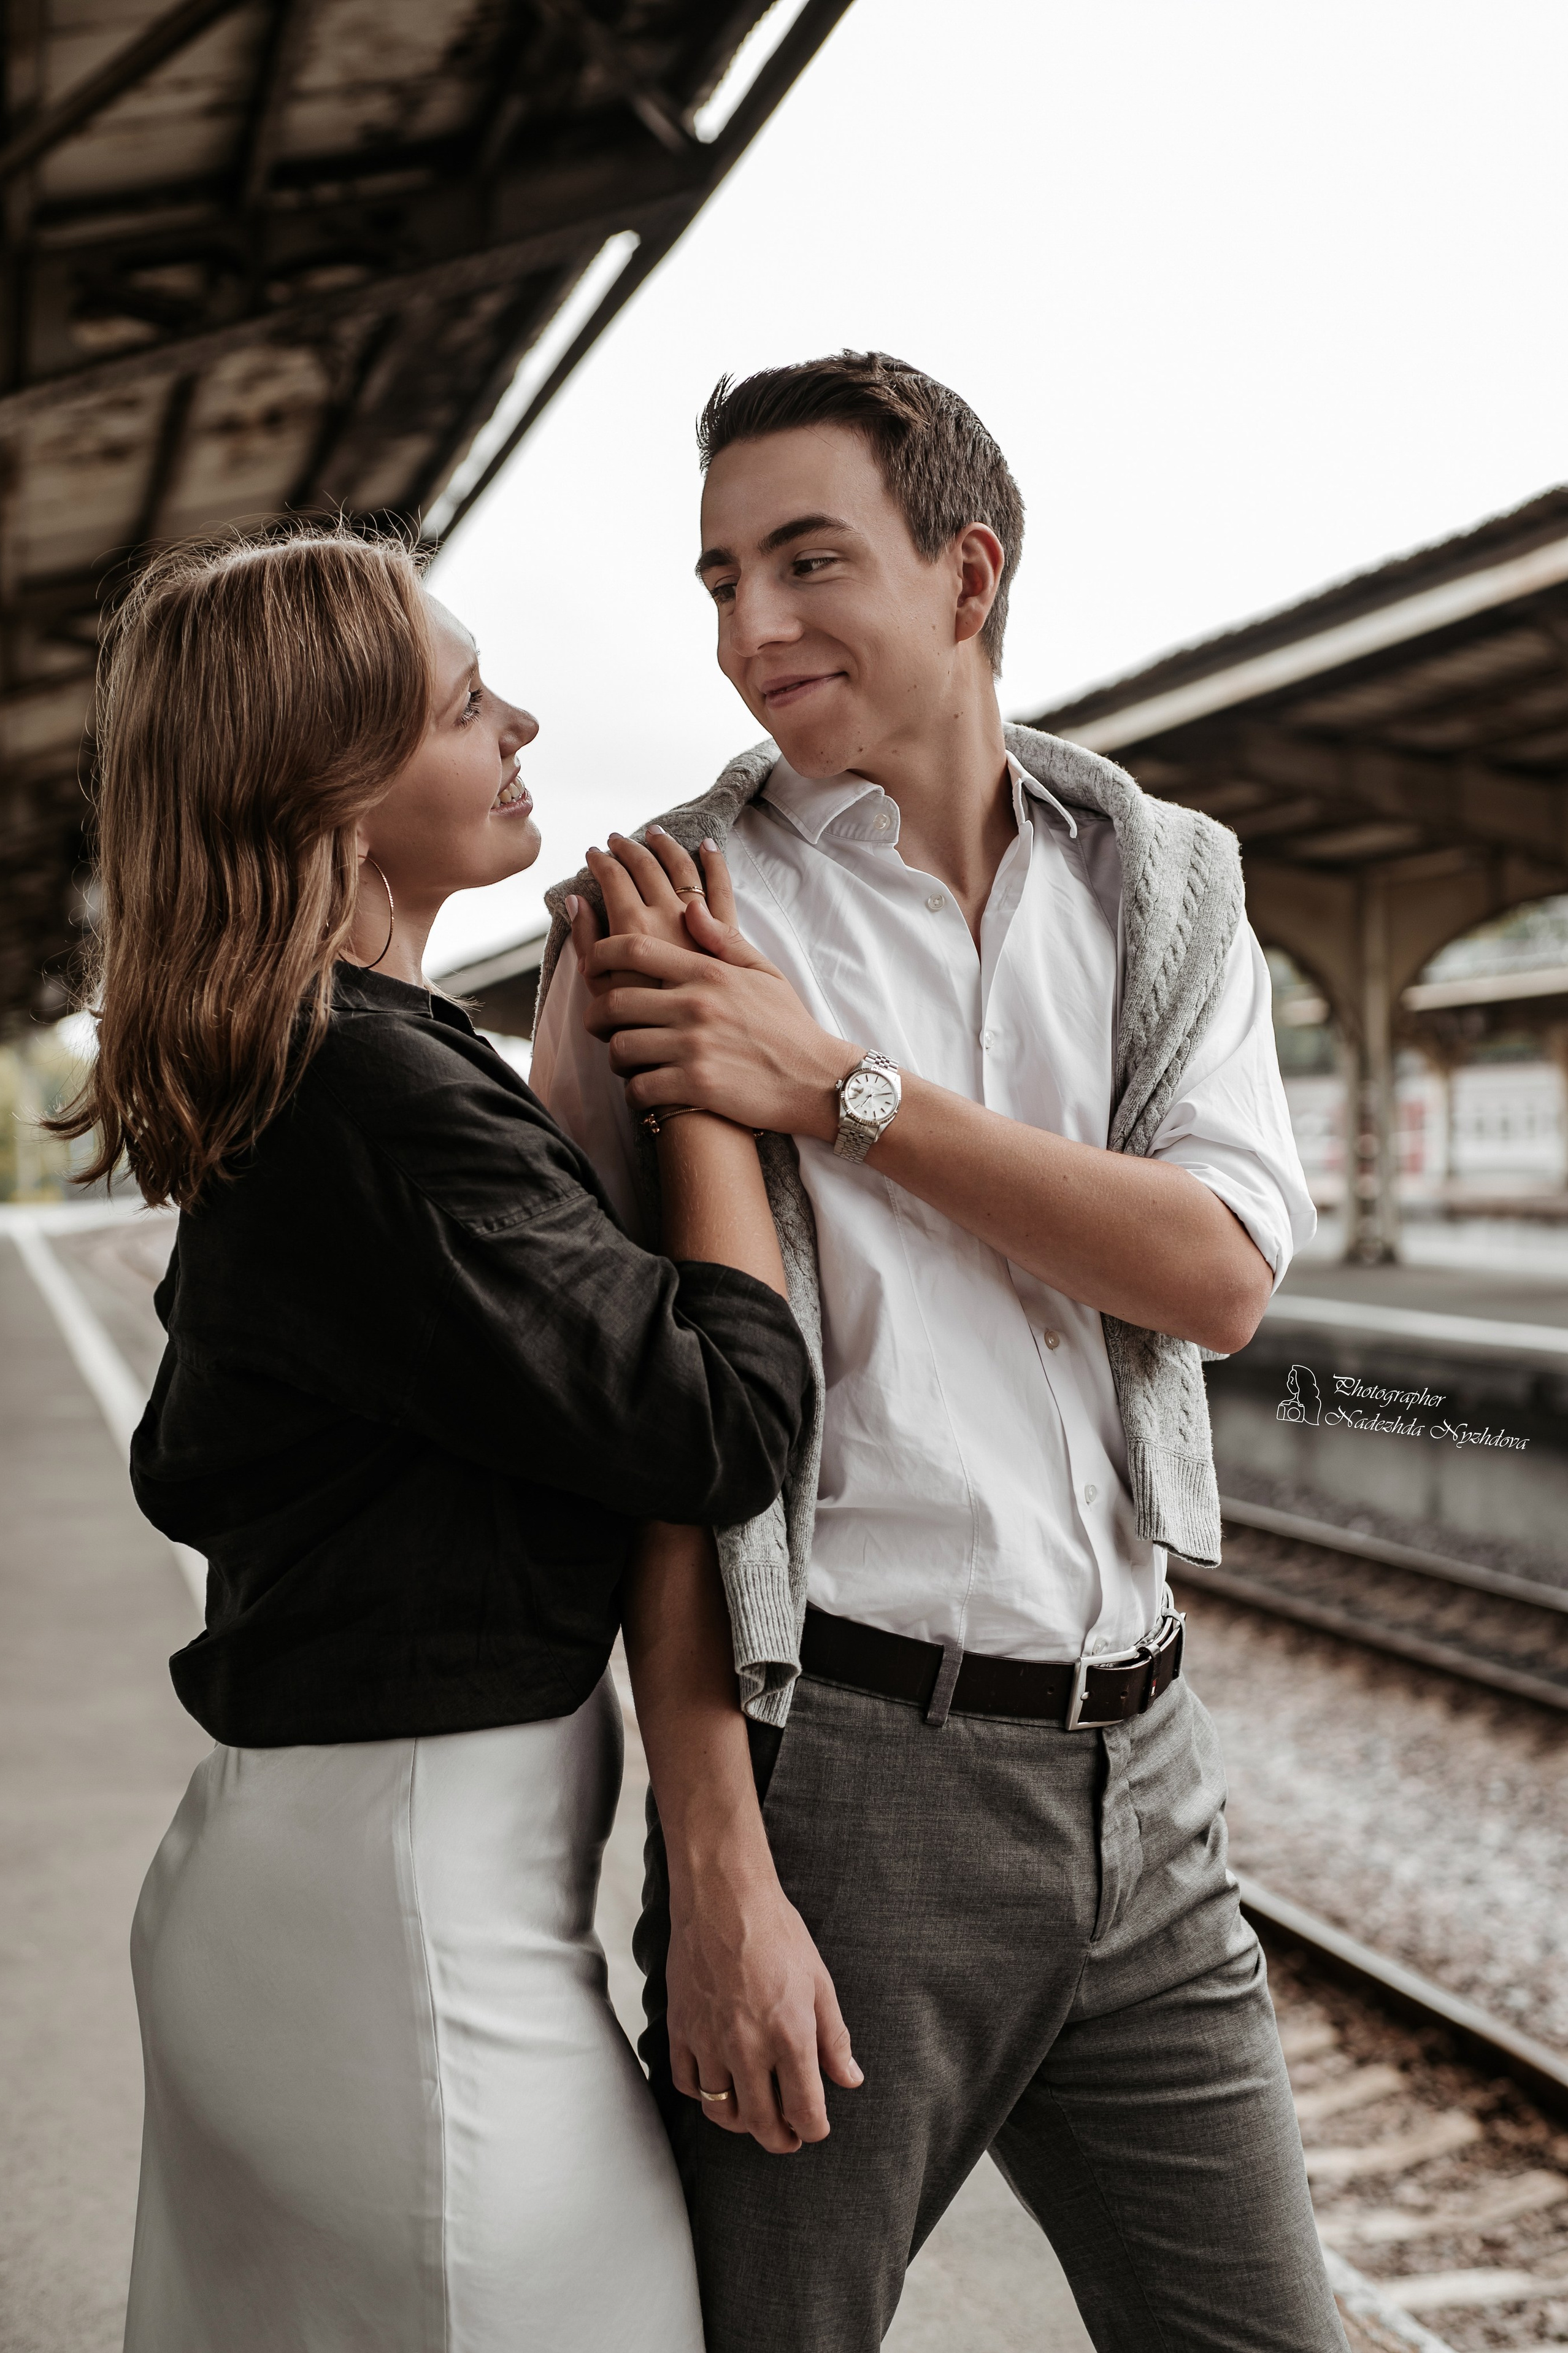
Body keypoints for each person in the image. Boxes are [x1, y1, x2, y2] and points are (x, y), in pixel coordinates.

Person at [531, 353, 1345, 2352]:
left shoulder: (1162, 883)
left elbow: (1218, 1272)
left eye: (810, 559)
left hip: (1145, 1780)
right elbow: (646, 1431)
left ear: (967, 573)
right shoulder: (670, 912)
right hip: (845, 1789)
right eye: (720, 575)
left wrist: (843, 1091)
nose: (749, 627)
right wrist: (716, 1867)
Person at [50, 523, 824, 2352]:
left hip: (332, 1893)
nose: (524, 721)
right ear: (330, 788)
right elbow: (721, 1417)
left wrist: (558, 1109)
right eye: (470, 706)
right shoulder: (373, 1091)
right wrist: (712, 1071)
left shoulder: (339, 1064)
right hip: (407, 1935)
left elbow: (489, 1364)